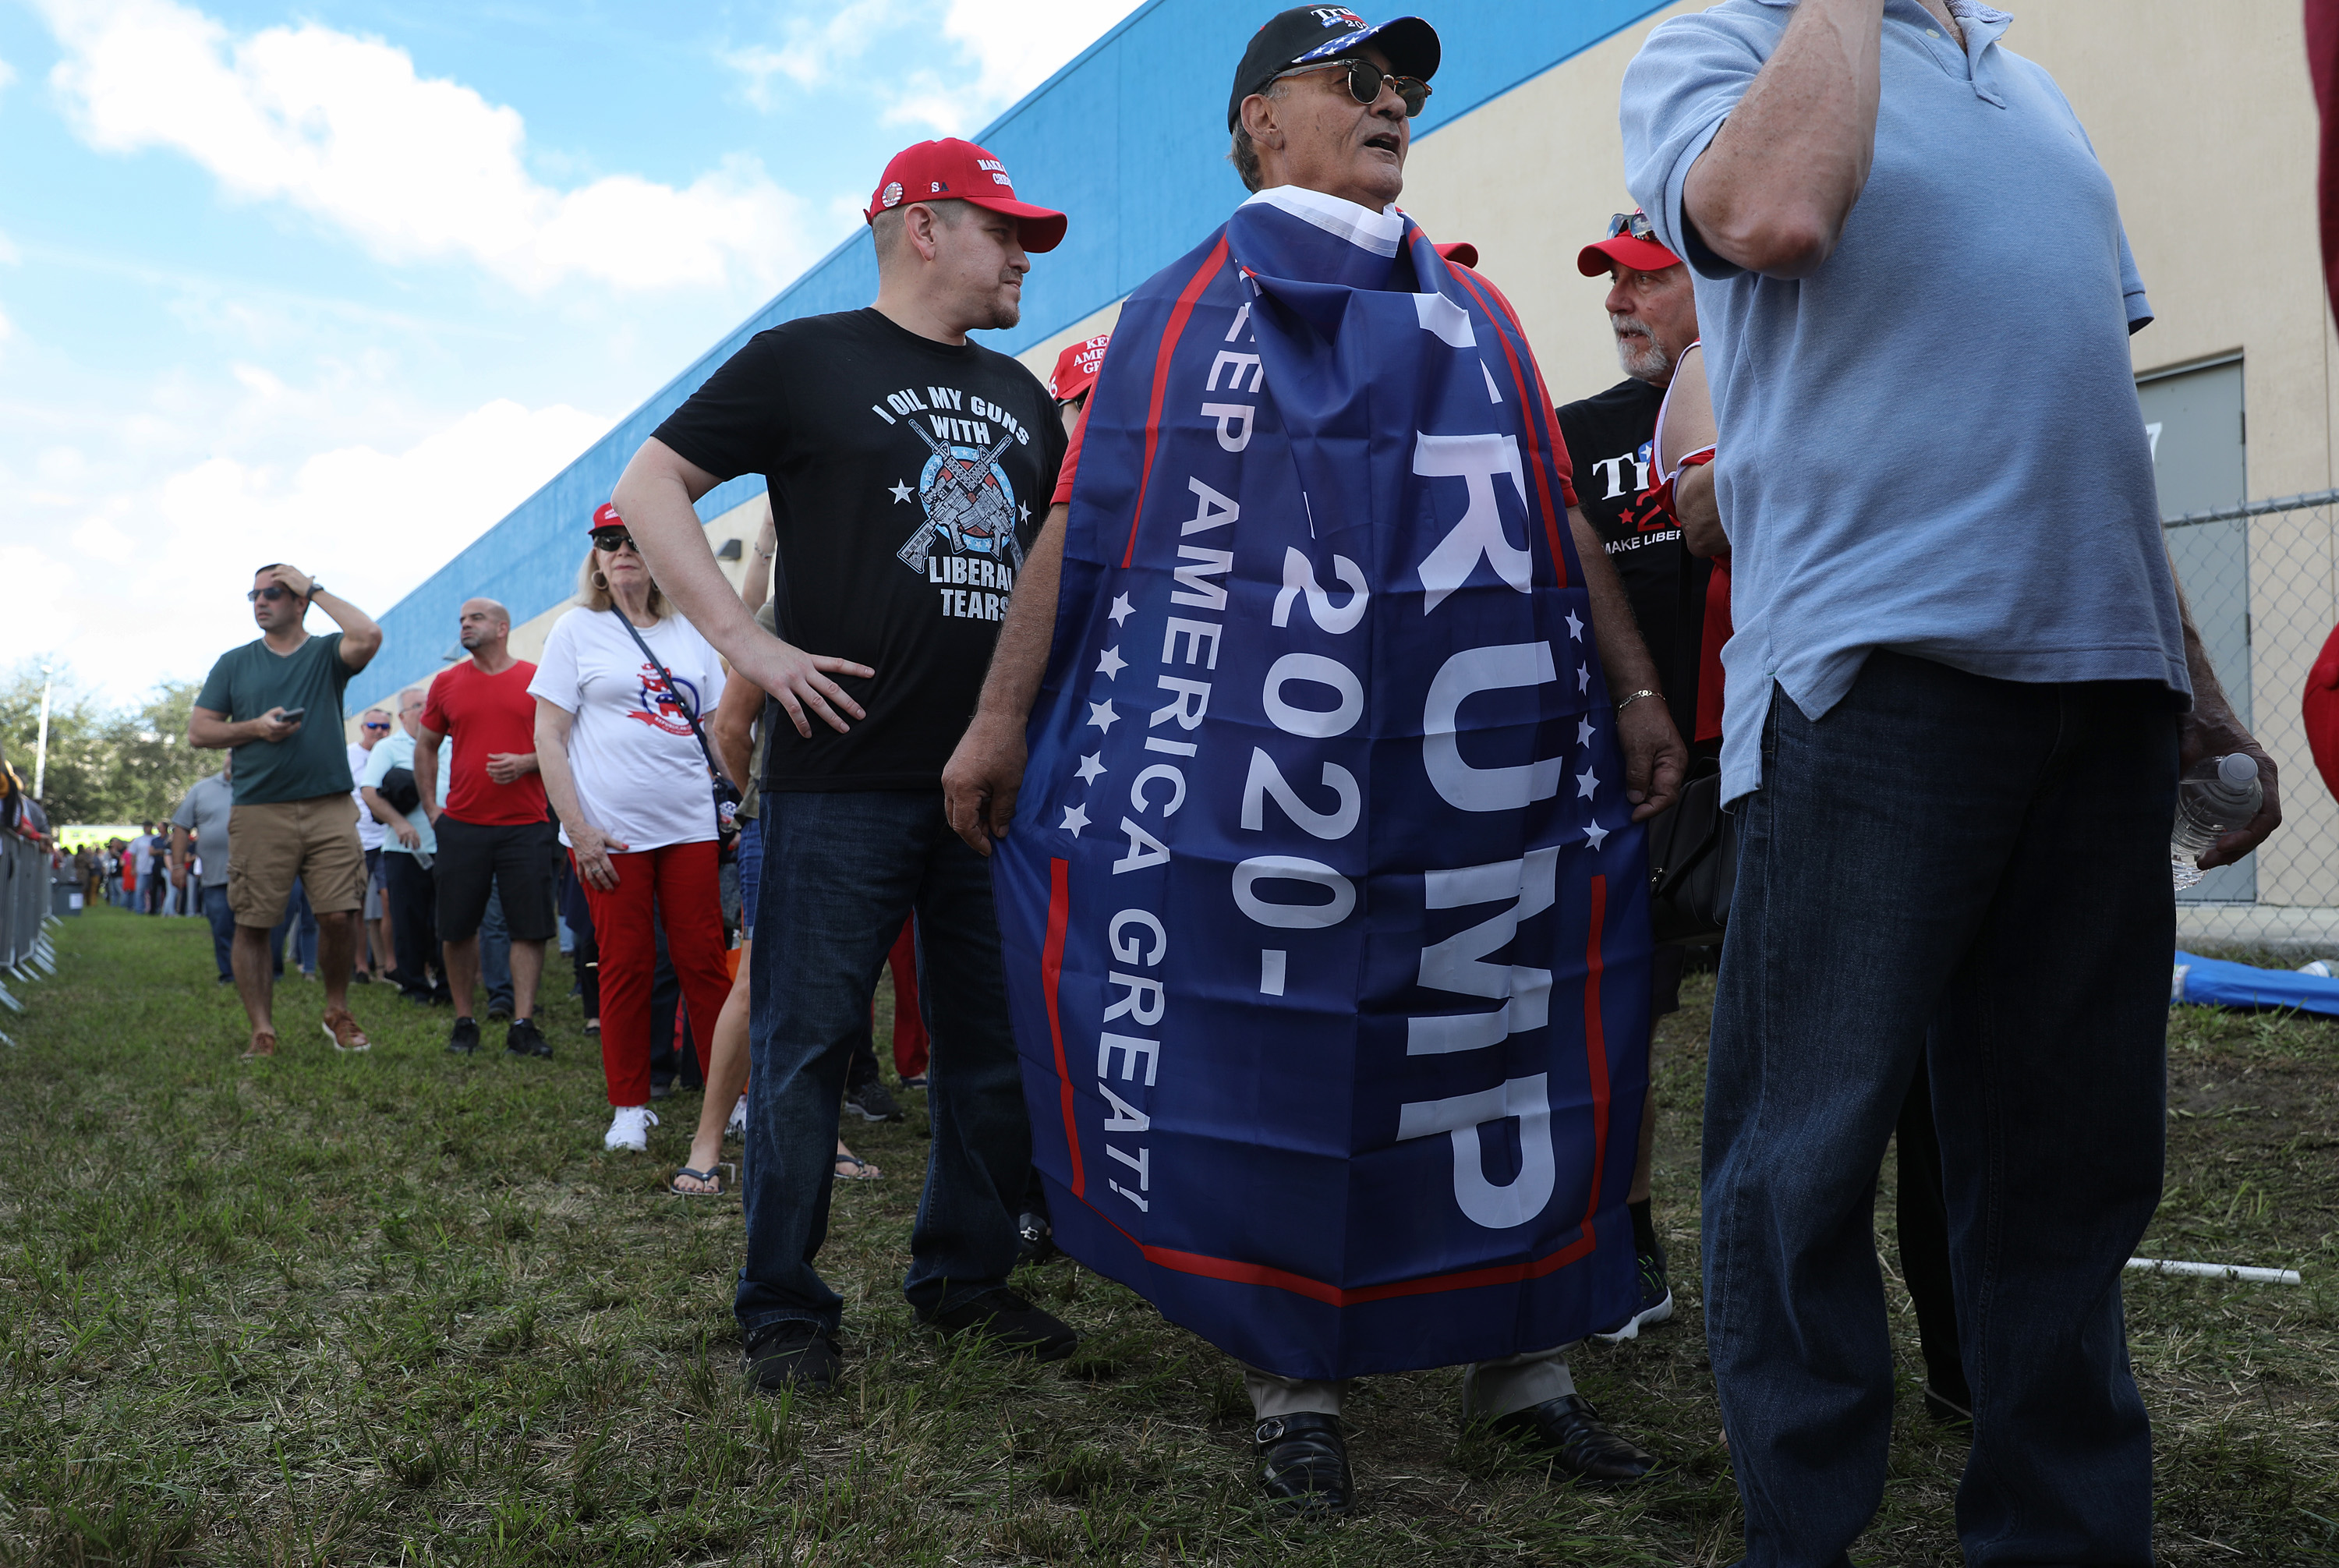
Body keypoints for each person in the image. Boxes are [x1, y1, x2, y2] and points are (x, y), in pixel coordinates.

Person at [942, 7, 1683, 1512]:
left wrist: (1637, 686)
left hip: (1480, 770)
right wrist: (1003, 715)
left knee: (1505, 1031)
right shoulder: (1176, 314)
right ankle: (1297, 1387)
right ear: (1261, 121)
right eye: (1356, 80)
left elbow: (1555, 508)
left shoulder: (1475, 310)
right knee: (1271, 1043)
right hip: (1258, 777)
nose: (1394, 99)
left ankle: (1528, 1371)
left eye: (1404, 81)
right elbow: (1079, 529)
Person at [1619, 2, 2283, 1559]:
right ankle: (1803, 1536)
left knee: (2066, 1175)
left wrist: (2187, 685)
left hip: (2098, 686)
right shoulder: (1714, 46)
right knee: (1804, 1163)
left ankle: (2058, 1534)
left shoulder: (2032, 89)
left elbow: (2087, 415)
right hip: (1877, 681)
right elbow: (1773, 213)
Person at [609, 133, 1079, 1393]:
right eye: (1004, 232)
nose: (1025, 256)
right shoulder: (803, 360)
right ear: (922, 226)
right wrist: (745, 646)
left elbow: (1044, 575)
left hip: (989, 788)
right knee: (808, 1047)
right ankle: (784, 1305)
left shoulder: (1027, 397)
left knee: (989, 1047)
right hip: (837, 782)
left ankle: (964, 1276)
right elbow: (651, 486)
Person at [1553, 209, 1707, 1347]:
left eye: (1647, 281)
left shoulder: (1779, 388)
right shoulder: (1571, 434)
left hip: (1767, 750)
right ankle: (1629, 1233)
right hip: (1633, 773)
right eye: (1613, 283)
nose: (1619, 303)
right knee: (1622, 1015)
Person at [532, 510, 735, 1154]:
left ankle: (732, 1100)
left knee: (704, 962)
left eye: (635, 541)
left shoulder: (691, 631)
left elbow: (718, 728)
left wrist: (735, 805)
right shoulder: (575, 629)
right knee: (626, 965)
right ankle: (629, 1104)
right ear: (594, 557)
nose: (622, 551)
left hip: (690, 826)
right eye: (608, 541)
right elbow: (549, 737)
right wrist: (579, 829)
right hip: (611, 834)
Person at [674, 596, 883, 1198]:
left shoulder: (893, 588)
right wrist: (763, 803)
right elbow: (730, 727)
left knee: (842, 983)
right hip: (781, 815)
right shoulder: (787, 600)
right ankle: (708, 1140)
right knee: (755, 980)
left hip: (864, 817)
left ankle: (826, 1132)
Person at [189, 563, 382, 1057]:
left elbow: (368, 634)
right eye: (253, 595)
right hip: (259, 809)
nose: (260, 601)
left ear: (298, 601)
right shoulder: (234, 663)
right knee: (254, 922)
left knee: (340, 915)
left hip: (330, 805)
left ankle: (336, 1010)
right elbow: (200, 732)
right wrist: (255, 727)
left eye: (273, 592)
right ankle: (263, 1030)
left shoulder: (324, 653)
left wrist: (314, 589)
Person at [414, 597, 557, 1060]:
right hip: (463, 825)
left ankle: (523, 1023)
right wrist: (433, 809)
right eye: (460, 620)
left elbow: (565, 742)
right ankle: (464, 1020)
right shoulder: (446, 683)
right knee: (457, 928)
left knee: (528, 929)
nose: (464, 626)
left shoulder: (536, 679)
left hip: (526, 825)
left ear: (502, 627)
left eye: (474, 619)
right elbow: (427, 745)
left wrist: (527, 762)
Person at [361, 687, 448, 1007]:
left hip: (448, 846)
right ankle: (415, 987)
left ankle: (447, 986)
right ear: (402, 716)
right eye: (417, 706)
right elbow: (369, 792)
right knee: (408, 919)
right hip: (404, 850)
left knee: (448, 919)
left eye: (430, 705)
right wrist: (399, 822)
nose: (425, 710)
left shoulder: (449, 743)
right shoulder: (388, 747)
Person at [171, 756, 238, 982]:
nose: (234, 758)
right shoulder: (202, 789)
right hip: (215, 875)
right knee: (222, 926)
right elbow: (181, 828)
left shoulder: (260, 785)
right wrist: (178, 866)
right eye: (231, 752)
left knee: (257, 928)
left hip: (254, 875)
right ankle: (229, 974)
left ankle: (267, 972)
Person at [349, 706, 392, 982]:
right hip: (357, 840)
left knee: (390, 901)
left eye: (384, 727)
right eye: (373, 726)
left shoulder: (392, 753)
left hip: (388, 839)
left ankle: (390, 965)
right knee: (357, 904)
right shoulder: (348, 754)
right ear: (363, 728)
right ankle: (360, 965)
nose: (379, 731)